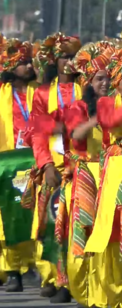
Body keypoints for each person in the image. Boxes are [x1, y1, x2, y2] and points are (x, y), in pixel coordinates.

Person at [62, 41, 122, 308]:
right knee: (86, 234)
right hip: (86, 175)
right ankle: (84, 290)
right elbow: (75, 135)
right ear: (87, 81)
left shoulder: (113, 103)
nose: (105, 83)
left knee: (110, 235)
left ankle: (112, 291)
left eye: (109, 78)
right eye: (99, 79)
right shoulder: (78, 108)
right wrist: (97, 119)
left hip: (108, 170)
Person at [84, 39, 122, 308]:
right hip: (116, 170)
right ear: (118, 79)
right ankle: (109, 293)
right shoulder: (108, 104)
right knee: (113, 234)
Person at [29, 33, 82, 303]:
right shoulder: (42, 94)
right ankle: (53, 277)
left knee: (75, 226)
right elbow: (38, 132)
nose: (68, 62)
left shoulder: (88, 89)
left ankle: (71, 281)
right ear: (55, 61)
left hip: (83, 168)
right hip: (54, 169)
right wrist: (47, 164)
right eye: (63, 57)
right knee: (51, 225)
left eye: (73, 57)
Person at [0, 39, 39, 293]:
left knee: (35, 216)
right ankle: (13, 271)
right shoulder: (2, 92)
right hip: (7, 160)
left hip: (35, 159)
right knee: (8, 217)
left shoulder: (42, 91)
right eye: (22, 63)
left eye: (28, 62)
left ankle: (37, 268)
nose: (27, 66)